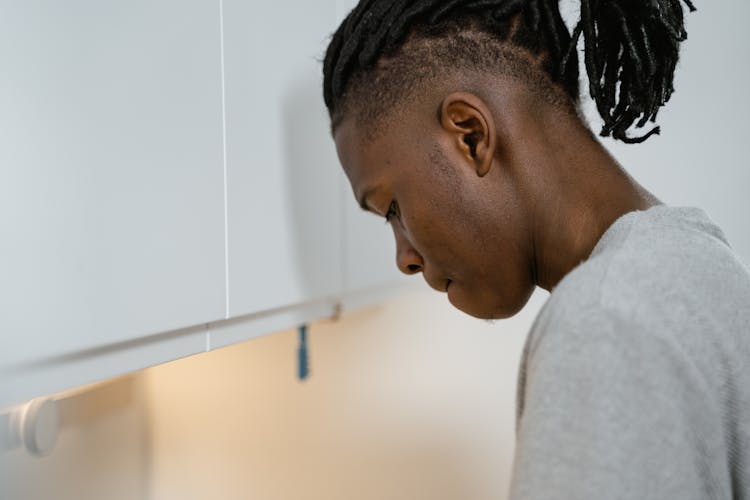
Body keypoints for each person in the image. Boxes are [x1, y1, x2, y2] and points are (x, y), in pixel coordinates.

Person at [322, 0, 750, 498]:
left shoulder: (604, 321)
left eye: (392, 207)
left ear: (471, 135)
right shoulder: (695, 260)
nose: (404, 258)